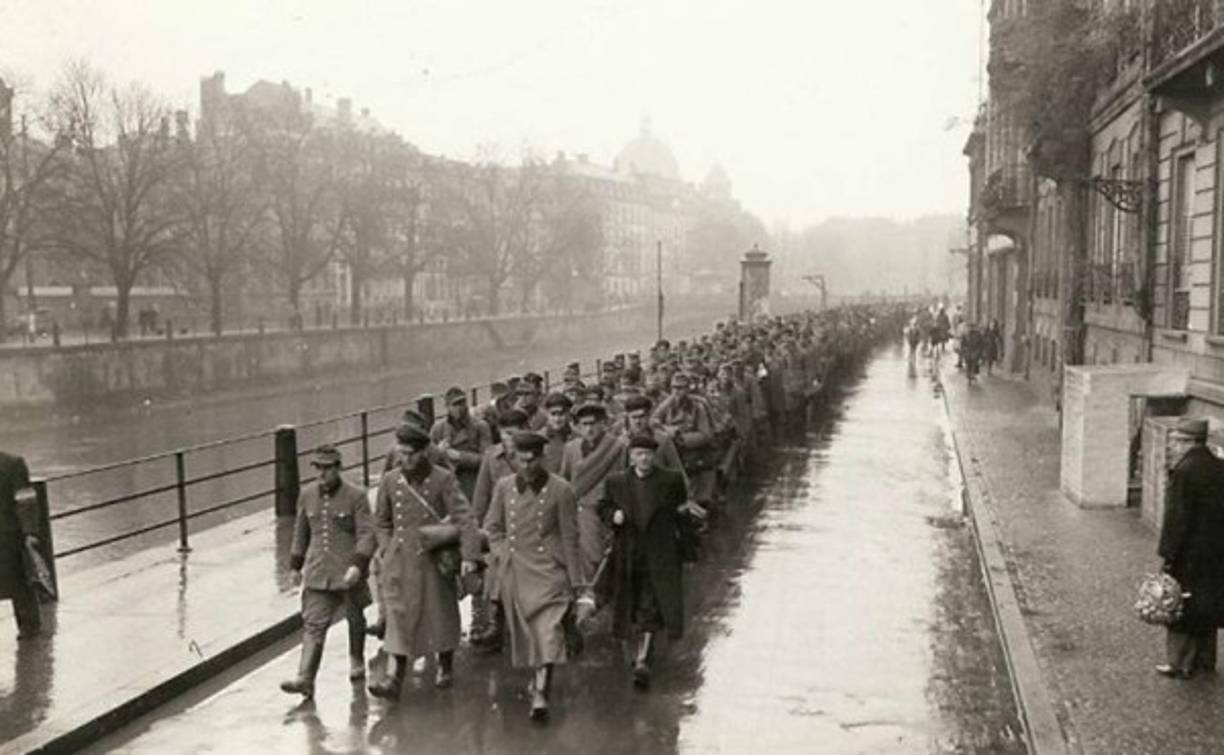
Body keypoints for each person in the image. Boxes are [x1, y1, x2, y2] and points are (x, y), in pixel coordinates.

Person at [368, 424, 481, 701]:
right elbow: (381, 520)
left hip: (433, 556)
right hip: (400, 560)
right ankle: (395, 678)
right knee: (398, 616)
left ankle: (445, 664)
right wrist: (386, 548)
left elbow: (465, 518)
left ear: (423, 453)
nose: (404, 459)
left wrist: (469, 556)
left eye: (410, 454)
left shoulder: (442, 479)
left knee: (439, 612)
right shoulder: (391, 481)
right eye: (401, 453)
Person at [483, 431, 583, 721]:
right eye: (521, 460)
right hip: (516, 569)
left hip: (550, 570)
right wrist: (502, 553)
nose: (526, 466)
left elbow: (570, 537)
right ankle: (539, 679)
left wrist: (577, 582)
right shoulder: (504, 487)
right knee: (529, 635)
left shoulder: (561, 489)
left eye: (532, 460)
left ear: (543, 457)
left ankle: (541, 693)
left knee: (547, 631)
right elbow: (493, 527)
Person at [598, 434, 693, 689]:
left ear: (655, 456)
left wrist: (688, 548)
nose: (645, 459)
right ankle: (636, 650)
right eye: (639, 454)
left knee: (650, 604)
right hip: (628, 551)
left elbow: (681, 515)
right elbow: (603, 506)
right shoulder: (617, 482)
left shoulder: (670, 480)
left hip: (660, 551)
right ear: (631, 456)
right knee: (630, 600)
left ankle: (643, 659)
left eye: (649, 454)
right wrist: (612, 515)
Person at [281, 445, 375, 698]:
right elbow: (301, 532)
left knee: (355, 618)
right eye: (318, 468)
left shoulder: (356, 496)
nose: (321, 474)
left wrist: (358, 564)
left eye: (327, 468)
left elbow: (367, 534)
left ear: (338, 468)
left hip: (348, 572)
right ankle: (305, 678)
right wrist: (294, 566)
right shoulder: (307, 495)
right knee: (313, 624)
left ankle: (356, 658)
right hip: (317, 572)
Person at [1157, 417, 1224, 678]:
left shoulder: (1184, 472)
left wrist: (1168, 556)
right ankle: (1205, 661)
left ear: (1188, 442)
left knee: (1178, 606)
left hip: (1189, 554)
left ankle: (1179, 663)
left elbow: (1177, 518)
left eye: (1175, 441)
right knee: (1208, 605)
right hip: (1216, 553)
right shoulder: (1219, 467)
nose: (1171, 446)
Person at [559, 403, 629, 591]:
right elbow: (565, 482)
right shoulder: (571, 448)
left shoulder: (617, 447)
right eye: (584, 424)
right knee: (585, 560)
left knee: (608, 558)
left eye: (593, 423)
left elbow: (625, 479)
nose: (589, 428)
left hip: (607, 511)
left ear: (603, 424)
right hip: (580, 512)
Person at [0, 451, 40, 639]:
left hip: (9, 535)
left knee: (19, 582)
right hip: (9, 532)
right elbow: (27, 501)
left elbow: (26, 502)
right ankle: (29, 626)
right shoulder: (12, 463)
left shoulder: (13, 464)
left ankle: (29, 626)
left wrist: (29, 532)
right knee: (19, 582)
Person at [430, 386, 492, 501]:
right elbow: (428, 462)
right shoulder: (438, 429)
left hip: (473, 483)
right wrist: (438, 452)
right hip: (447, 484)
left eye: (462, 403)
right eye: (455, 405)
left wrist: (460, 456)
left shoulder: (480, 427)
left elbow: (487, 460)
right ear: (447, 407)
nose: (459, 408)